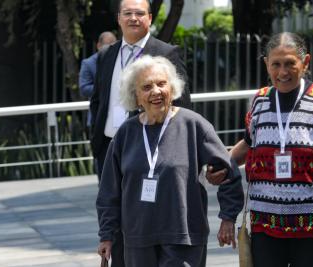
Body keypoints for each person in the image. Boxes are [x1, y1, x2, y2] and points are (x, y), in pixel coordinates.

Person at [207, 32, 313, 267]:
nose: (283, 72)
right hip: (265, 218)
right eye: (276, 64)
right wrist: (222, 163)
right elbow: (250, 143)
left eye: (290, 63)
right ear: (266, 64)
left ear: (306, 62)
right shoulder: (260, 100)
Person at [96, 55, 243, 267]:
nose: (155, 91)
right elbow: (109, 190)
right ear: (136, 97)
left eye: (161, 84)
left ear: (172, 89)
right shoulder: (126, 133)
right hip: (138, 239)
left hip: (183, 237)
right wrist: (107, 234)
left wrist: (228, 217)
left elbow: (228, 171)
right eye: (146, 87)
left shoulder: (193, 125)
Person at [90, 1, 191, 265]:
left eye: (139, 13)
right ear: (118, 18)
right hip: (111, 145)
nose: (133, 18)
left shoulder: (166, 52)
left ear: (149, 18)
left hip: (150, 146)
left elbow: (182, 102)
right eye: (127, 13)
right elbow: (98, 100)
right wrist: (97, 141)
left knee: (145, 215)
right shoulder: (107, 54)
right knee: (114, 210)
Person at [79, 31, 117, 128]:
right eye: (108, 46)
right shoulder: (88, 63)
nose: (111, 49)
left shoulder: (121, 61)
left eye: (114, 46)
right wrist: (106, 87)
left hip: (119, 116)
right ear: (99, 46)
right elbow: (84, 89)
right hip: (98, 116)